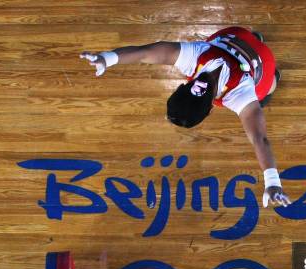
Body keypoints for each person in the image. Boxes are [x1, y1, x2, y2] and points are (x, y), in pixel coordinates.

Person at [80, 27, 291, 208]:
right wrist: (107, 58)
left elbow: (260, 140)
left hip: (261, 61)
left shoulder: (240, 96)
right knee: (246, 42)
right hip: (236, 35)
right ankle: (255, 38)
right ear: (182, 85)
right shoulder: (194, 56)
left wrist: (273, 183)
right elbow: (144, 53)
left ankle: (273, 77)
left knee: (267, 86)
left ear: (209, 110)